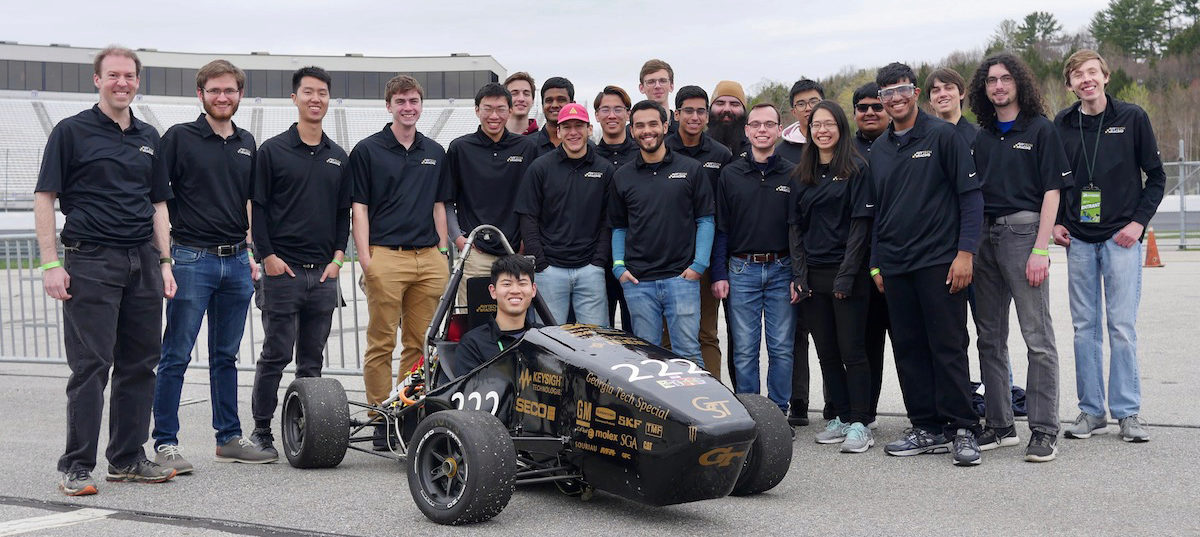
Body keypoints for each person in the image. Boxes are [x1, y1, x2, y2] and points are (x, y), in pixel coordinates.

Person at [36, 45, 178, 496]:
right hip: (91, 259)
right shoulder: (71, 132)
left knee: (140, 364)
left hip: (142, 261)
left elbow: (158, 204)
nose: (122, 83)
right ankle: (76, 466)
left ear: (138, 81)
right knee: (92, 366)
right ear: (96, 80)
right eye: (113, 75)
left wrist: (165, 261)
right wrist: (50, 263)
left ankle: (128, 458)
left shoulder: (149, 136)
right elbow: (45, 198)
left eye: (130, 76)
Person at [152, 59, 274, 473]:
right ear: (200, 94)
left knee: (226, 355)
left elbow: (249, 202)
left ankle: (228, 438)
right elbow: (159, 202)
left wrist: (253, 255)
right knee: (176, 355)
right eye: (215, 90)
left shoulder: (247, 141)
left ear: (240, 95)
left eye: (230, 91)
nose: (223, 97)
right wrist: (165, 258)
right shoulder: (179, 138)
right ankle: (165, 442)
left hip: (237, 260)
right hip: (191, 259)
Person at [868, 62, 983, 466]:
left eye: (902, 90)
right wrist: (876, 264)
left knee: (948, 346)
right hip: (896, 267)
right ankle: (926, 427)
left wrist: (965, 253)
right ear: (881, 100)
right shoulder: (879, 150)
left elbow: (971, 197)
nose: (895, 98)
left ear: (915, 92)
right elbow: (877, 213)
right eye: (887, 94)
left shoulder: (943, 136)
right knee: (910, 349)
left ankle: (963, 429)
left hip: (940, 262)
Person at [1053, 49, 1164, 443]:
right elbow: (1054, 182)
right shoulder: (1061, 123)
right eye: (1077, 75)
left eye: (1092, 72)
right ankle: (1091, 411)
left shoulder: (1132, 117)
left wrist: (1138, 224)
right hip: (1079, 240)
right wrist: (1057, 224)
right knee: (1085, 329)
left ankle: (1128, 413)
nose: (1086, 79)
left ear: (1105, 76)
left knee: (1121, 327)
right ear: (1070, 84)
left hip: (1122, 239)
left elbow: (1156, 178)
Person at [968, 53, 1071, 462]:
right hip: (984, 239)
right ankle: (1000, 424)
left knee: (1038, 338)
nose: (998, 86)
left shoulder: (1041, 130)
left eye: (1005, 79)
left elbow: (1053, 191)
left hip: (1024, 234)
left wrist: (1041, 248)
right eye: (991, 80)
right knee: (989, 338)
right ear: (984, 88)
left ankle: (1044, 430)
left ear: (1019, 84)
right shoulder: (982, 136)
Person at [249, 66, 351, 456]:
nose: (315, 99)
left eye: (322, 92)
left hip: (322, 275)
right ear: (295, 98)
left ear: (328, 99)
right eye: (308, 92)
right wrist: (268, 257)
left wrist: (338, 259)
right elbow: (258, 209)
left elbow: (343, 213)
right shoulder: (272, 151)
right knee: (275, 354)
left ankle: (306, 430)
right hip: (283, 272)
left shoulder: (338, 157)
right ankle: (262, 431)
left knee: (312, 361)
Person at [349, 75, 451, 450]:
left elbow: (439, 205)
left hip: (428, 258)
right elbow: (359, 208)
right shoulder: (368, 149)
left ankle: (408, 415)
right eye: (401, 101)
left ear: (421, 105)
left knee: (419, 346)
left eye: (414, 101)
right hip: (386, 256)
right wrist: (366, 259)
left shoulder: (435, 151)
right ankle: (381, 419)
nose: (408, 107)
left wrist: (441, 250)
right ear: (388, 105)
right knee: (381, 342)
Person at [789, 101, 875, 453]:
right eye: (816, 125)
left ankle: (860, 422)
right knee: (825, 352)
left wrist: (846, 276)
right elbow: (795, 228)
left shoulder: (857, 169)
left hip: (847, 276)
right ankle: (839, 416)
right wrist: (799, 274)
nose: (822, 130)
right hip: (813, 276)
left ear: (841, 128)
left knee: (852, 350)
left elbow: (860, 228)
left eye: (829, 124)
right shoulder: (801, 175)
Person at [609, 100, 714, 366]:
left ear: (666, 126)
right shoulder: (622, 176)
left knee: (688, 355)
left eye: (653, 124)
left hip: (682, 279)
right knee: (647, 359)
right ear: (632, 130)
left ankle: (694, 408)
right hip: (638, 283)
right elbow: (619, 226)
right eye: (640, 125)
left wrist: (699, 265)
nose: (647, 131)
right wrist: (619, 267)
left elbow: (706, 220)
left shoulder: (691, 169)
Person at [710, 103, 794, 412]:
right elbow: (721, 228)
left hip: (782, 269)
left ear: (778, 130)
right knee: (744, 349)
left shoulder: (792, 173)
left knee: (782, 348)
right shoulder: (730, 174)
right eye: (756, 124)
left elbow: (798, 230)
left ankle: (778, 411)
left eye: (769, 124)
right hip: (741, 269)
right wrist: (719, 273)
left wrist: (799, 275)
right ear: (747, 130)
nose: (762, 130)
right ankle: (752, 412)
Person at [517, 103, 612, 326]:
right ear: (558, 131)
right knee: (549, 344)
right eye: (566, 127)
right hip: (549, 270)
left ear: (589, 129)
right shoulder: (540, 168)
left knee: (596, 343)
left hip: (590, 270)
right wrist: (540, 263)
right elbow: (528, 217)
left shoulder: (605, 169)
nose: (573, 132)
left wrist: (598, 261)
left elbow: (609, 220)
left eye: (578, 126)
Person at [446, 83, 539, 305]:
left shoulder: (526, 148)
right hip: (475, 255)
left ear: (510, 110)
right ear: (477, 110)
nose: (494, 116)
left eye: (500, 109)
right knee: (474, 323)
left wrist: (526, 241)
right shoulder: (460, 148)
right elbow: (447, 201)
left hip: (515, 253)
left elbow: (535, 202)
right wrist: (460, 241)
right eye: (487, 108)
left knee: (516, 324)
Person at [666, 85, 732, 377]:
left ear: (707, 116)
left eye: (700, 111)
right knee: (667, 334)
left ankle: (713, 398)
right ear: (677, 114)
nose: (694, 117)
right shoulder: (661, 148)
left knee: (706, 332)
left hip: (705, 255)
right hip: (665, 256)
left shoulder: (721, 154)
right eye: (688, 110)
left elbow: (723, 211)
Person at [851, 81, 890, 428]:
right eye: (863, 108)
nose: (870, 112)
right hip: (858, 264)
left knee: (910, 343)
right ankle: (867, 412)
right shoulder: (845, 151)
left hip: (896, 259)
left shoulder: (901, 143)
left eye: (877, 106)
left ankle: (924, 417)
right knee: (867, 343)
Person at [592, 85, 638, 331]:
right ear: (597, 115)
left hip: (636, 258)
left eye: (618, 109)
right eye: (605, 109)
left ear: (628, 114)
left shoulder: (643, 155)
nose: (612, 115)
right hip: (596, 259)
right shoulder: (587, 156)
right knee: (602, 335)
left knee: (638, 335)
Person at [451, 255, 542, 375]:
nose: (515, 290)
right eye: (507, 284)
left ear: (533, 290)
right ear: (493, 291)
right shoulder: (472, 344)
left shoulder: (545, 338)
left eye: (522, 283)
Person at [926, 67, 979, 145]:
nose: (942, 94)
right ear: (930, 100)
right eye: (936, 91)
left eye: (949, 88)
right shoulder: (922, 140)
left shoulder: (980, 136)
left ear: (961, 93)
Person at [777, 79, 824, 163]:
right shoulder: (781, 155)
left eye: (813, 102)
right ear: (794, 112)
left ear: (825, 105)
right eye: (801, 104)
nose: (808, 108)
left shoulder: (840, 144)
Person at [532, 77, 574, 156]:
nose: (554, 105)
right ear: (542, 105)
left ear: (572, 104)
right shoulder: (527, 146)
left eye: (561, 100)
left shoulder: (588, 147)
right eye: (549, 100)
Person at [708, 80, 750, 157]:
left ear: (744, 110)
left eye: (734, 104)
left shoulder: (754, 149)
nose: (727, 109)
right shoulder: (696, 146)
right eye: (720, 103)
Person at [637, 59, 678, 135]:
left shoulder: (683, 130)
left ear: (671, 86)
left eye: (662, 81)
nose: (657, 86)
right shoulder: (631, 134)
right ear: (641, 88)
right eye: (651, 82)